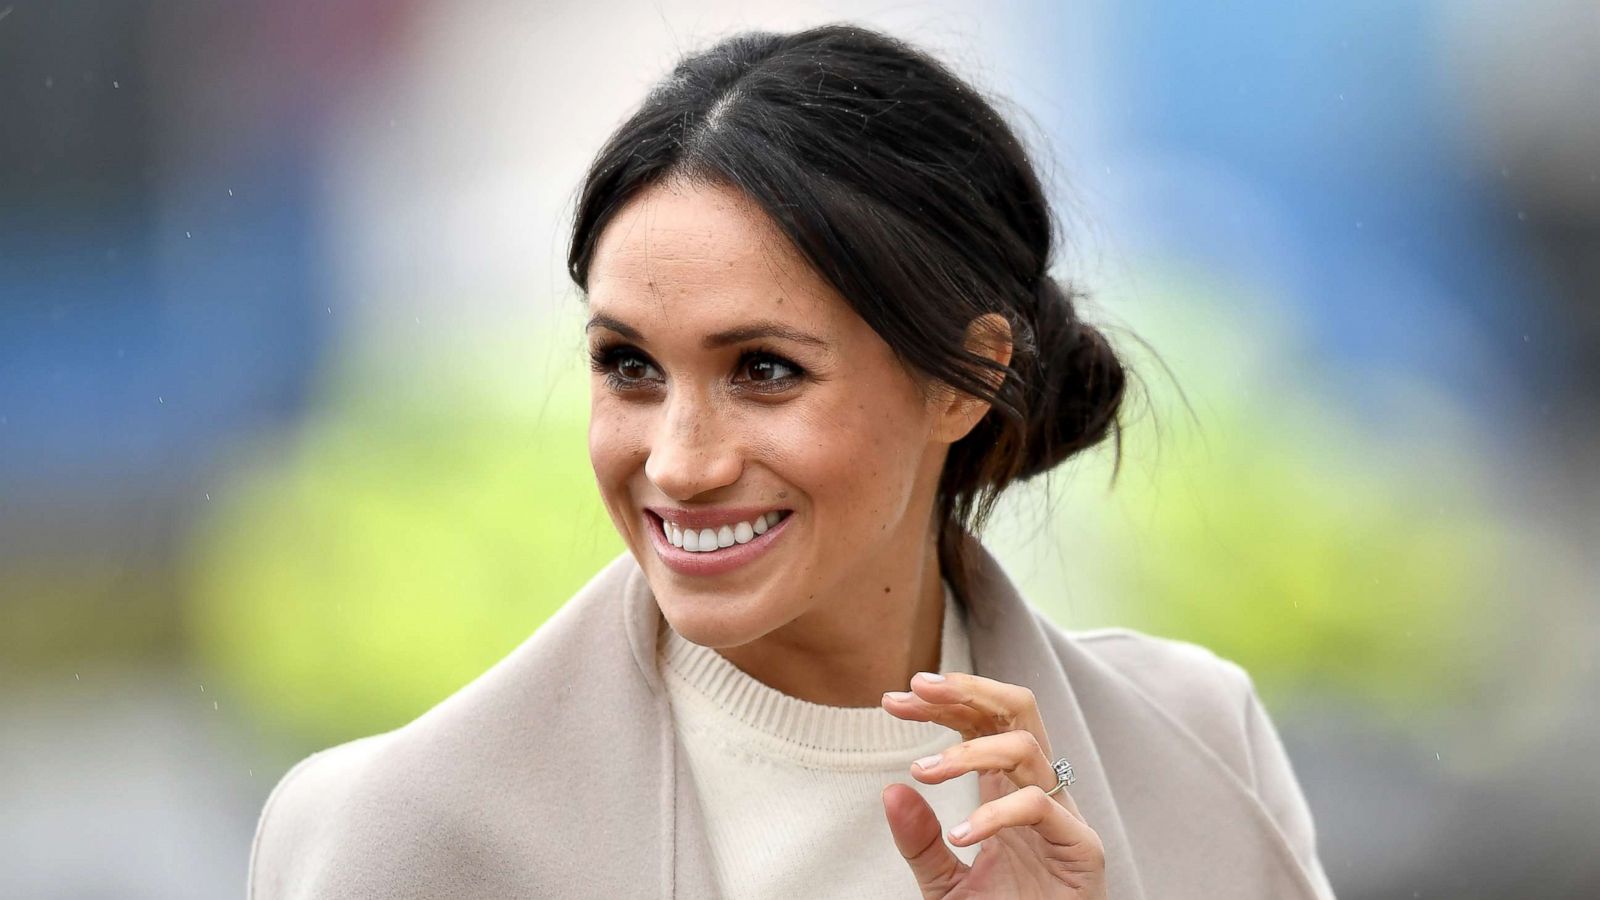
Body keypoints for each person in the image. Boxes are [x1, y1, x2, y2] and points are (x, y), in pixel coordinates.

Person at [248, 22, 1337, 900]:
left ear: (964, 376)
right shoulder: (404, 836)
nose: (678, 464)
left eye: (763, 370)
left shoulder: (1193, 750)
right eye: (628, 366)